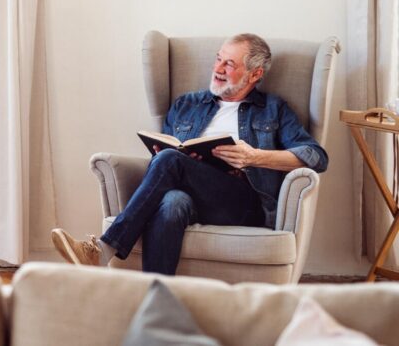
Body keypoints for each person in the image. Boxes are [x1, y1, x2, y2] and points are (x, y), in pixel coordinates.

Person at [51, 33, 329, 275]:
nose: (217, 68)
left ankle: (102, 249)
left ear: (254, 74)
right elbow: (167, 155)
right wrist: (166, 156)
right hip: (189, 191)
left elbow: (316, 157)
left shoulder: (273, 109)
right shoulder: (187, 104)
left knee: (171, 161)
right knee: (171, 200)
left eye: (229, 64)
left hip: (243, 203)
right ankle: (158, 305)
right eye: (218, 58)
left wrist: (254, 156)